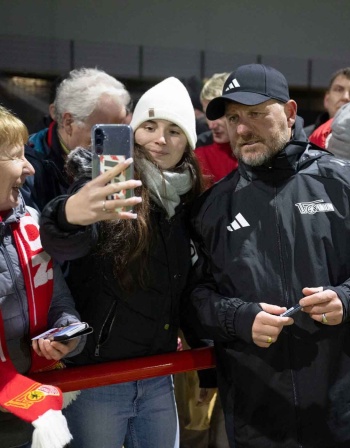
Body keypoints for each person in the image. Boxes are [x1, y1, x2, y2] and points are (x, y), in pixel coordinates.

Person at [188, 63, 350, 448]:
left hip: (343, 416)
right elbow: (194, 299)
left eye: (256, 113)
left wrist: (349, 298)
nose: (242, 129)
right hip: (257, 422)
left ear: (291, 113)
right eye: (233, 118)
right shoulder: (211, 208)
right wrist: (239, 317)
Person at [38, 77, 215, 448]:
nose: (160, 139)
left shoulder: (188, 202)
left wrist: (206, 359)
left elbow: (187, 289)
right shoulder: (105, 181)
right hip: (99, 378)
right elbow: (63, 243)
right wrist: (69, 215)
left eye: (174, 131)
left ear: (188, 144)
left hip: (159, 374)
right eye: (149, 126)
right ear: (133, 132)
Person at [0, 105, 84, 448]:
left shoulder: (30, 220)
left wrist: (68, 334)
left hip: (29, 406)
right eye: (16, 156)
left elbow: (58, 297)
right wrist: (37, 405)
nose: (29, 167)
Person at [21, 67, 131, 211]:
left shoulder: (124, 156)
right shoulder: (27, 166)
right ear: (68, 122)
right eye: (103, 132)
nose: (114, 141)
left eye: (120, 130)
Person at [195, 72, 237, 188]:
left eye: (218, 114)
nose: (212, 126)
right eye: (208, 114)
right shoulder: (196, 148)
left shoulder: (259, 148)